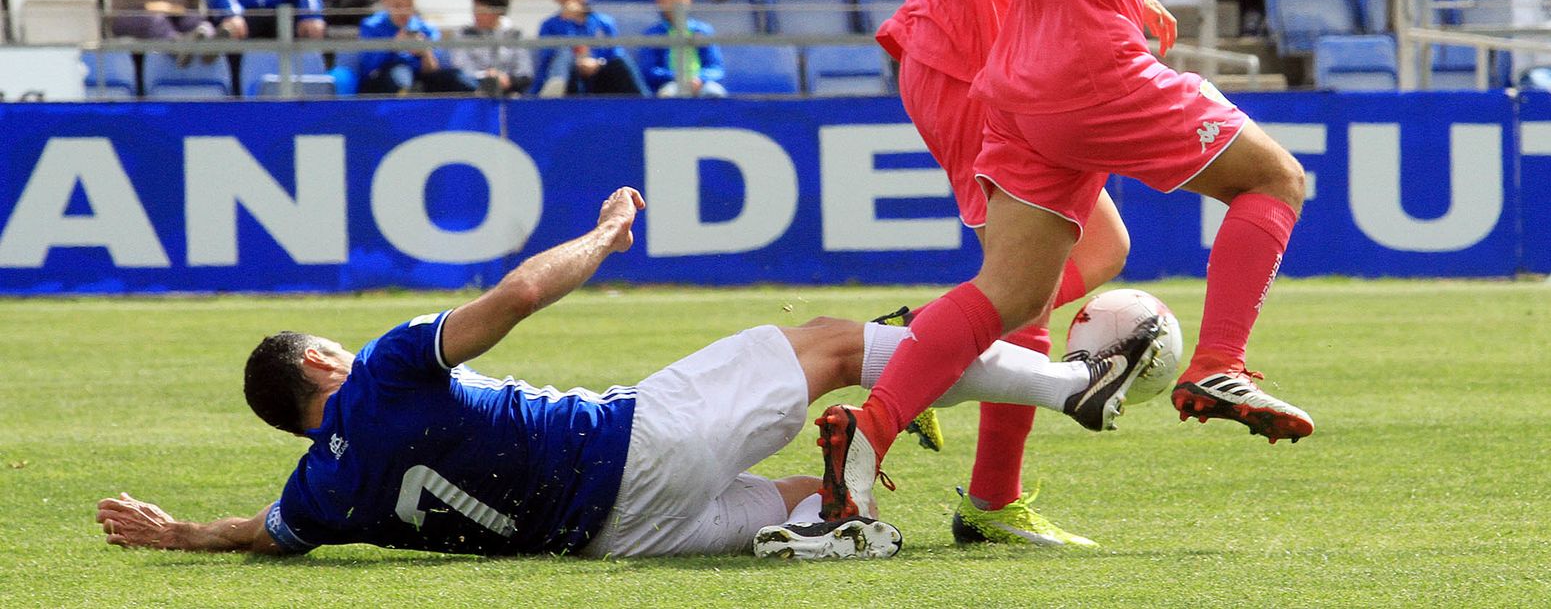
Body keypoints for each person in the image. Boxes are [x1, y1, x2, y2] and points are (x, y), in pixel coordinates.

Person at [808, 0, 1317, 531]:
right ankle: (1219, 363)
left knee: (1012, 296)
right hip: (1089, 74)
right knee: (1275, 181)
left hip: (1024, 84)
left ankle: (868, 431)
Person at [92, 187, 1164, 562]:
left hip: (612, 536)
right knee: (833, 341)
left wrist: (181, 529)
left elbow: (262, 536)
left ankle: (833, 506)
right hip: (625, 446)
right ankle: (1068, 387)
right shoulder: (376, 373)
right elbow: (511, 297)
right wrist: (602, 239)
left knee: (803, 501)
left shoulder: (317, 491)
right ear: (321, 362)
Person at [873, 0, 1165, 548]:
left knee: (1063, 265)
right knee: (1044, 275)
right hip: (971, 56)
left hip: (988, 52)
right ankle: (927, 360)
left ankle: (971, 446)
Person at [532, 0, 650, 96]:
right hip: (571, 77)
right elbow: (548, 57)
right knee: (565, 54)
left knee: (621, 62)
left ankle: (646, 101)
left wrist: (598, 63)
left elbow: (614, 53)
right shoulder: (549, 26)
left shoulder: (604, 22)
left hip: (600, 78)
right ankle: (555, 92)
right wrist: (567, 22)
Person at [357, 0, 478, 95]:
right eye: (397, 6)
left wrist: (425, 53)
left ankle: (481, 93)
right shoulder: (371, 26)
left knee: (458, 79)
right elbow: (367, 68)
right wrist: (392, 46)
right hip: (385, 80)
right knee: (401, 77)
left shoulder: (425, 29)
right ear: (385, 0)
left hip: (422, 78)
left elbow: (433, 69)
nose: (403, 12)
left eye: (409, 6)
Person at [637, 0, 727, 97]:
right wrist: (677, 77)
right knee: (668, 94)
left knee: (715, 92)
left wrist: (700, 79)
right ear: (660, 0)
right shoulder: (652, 34)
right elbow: (649, 70)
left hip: (700, 83)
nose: (678, 0)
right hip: (670, 83)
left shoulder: (702, 31)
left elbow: (716, 68)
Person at [450, 0, 534, 95]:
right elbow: (461, 67)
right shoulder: (464, 34)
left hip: (507, 89)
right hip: (473, 89)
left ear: (498, 12)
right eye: (475, 9)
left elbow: (524, 71)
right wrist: (486, 76)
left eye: (482, 11)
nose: (476, 15)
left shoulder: (515, 35)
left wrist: (505, 79)